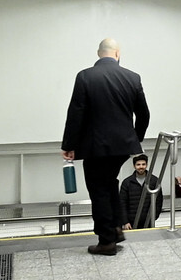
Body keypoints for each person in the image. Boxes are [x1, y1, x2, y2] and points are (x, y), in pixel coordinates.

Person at [60, 38, 150, 255]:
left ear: (99, 53)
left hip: (95, 147)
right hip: (122, 147)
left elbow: (76, 113)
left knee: (99, 189)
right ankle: (117, 228)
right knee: (109, 183)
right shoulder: (132, 77)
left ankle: (106, 241)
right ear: (117, 53)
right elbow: (144, 114)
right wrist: (134, 140)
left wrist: (69, 145)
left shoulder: (85, 76)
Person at [119, 154, 162, 230]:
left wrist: (154, 217)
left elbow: (158, 201)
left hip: (149, 221)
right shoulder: (127, 182)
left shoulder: (154, 181)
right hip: (131, 223)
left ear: (147, 165)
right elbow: (122, 203)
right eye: (138, 164)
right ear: (134, 166)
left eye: (143, 164)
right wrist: (125, 221)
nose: (141, 166)